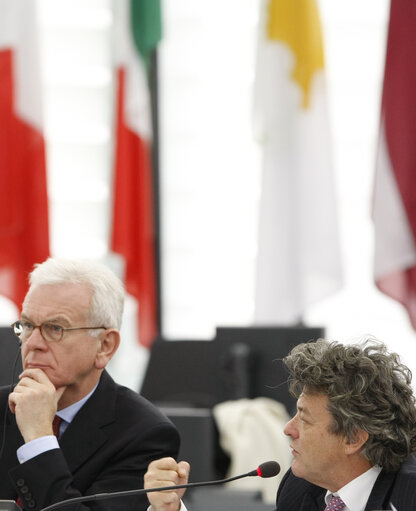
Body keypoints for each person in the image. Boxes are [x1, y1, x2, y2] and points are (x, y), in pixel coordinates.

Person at [144, 337, 416, 511]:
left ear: (354, 438)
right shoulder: (301, 487)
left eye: (305, 419)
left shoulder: (408, 496)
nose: (288, 429)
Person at [0, 258, 180, 511]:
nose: (33, 343)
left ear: (105, 346)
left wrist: (39, 439)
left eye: (55, 328)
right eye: (28, 325)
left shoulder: (145, 434)